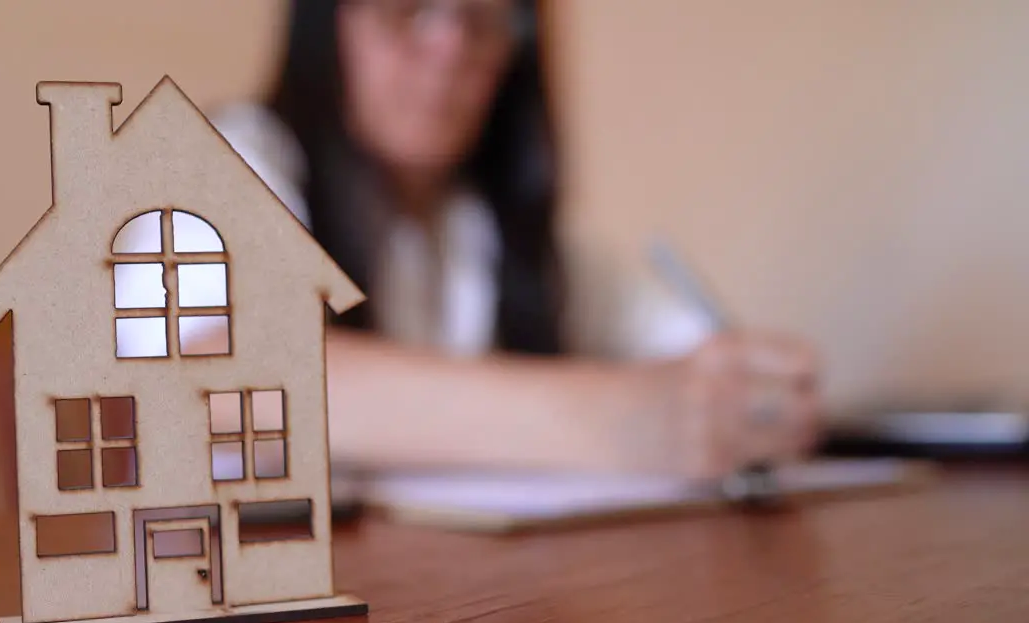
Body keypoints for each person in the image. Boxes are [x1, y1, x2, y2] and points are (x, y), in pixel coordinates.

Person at [212, 0, 821, 480]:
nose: (450, 48)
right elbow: (226, 378)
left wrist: (753, 397)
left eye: (482, 19)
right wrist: (613, 420)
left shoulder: (502, 228)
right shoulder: (233, 159)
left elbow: (695, 352)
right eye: (406, 9)